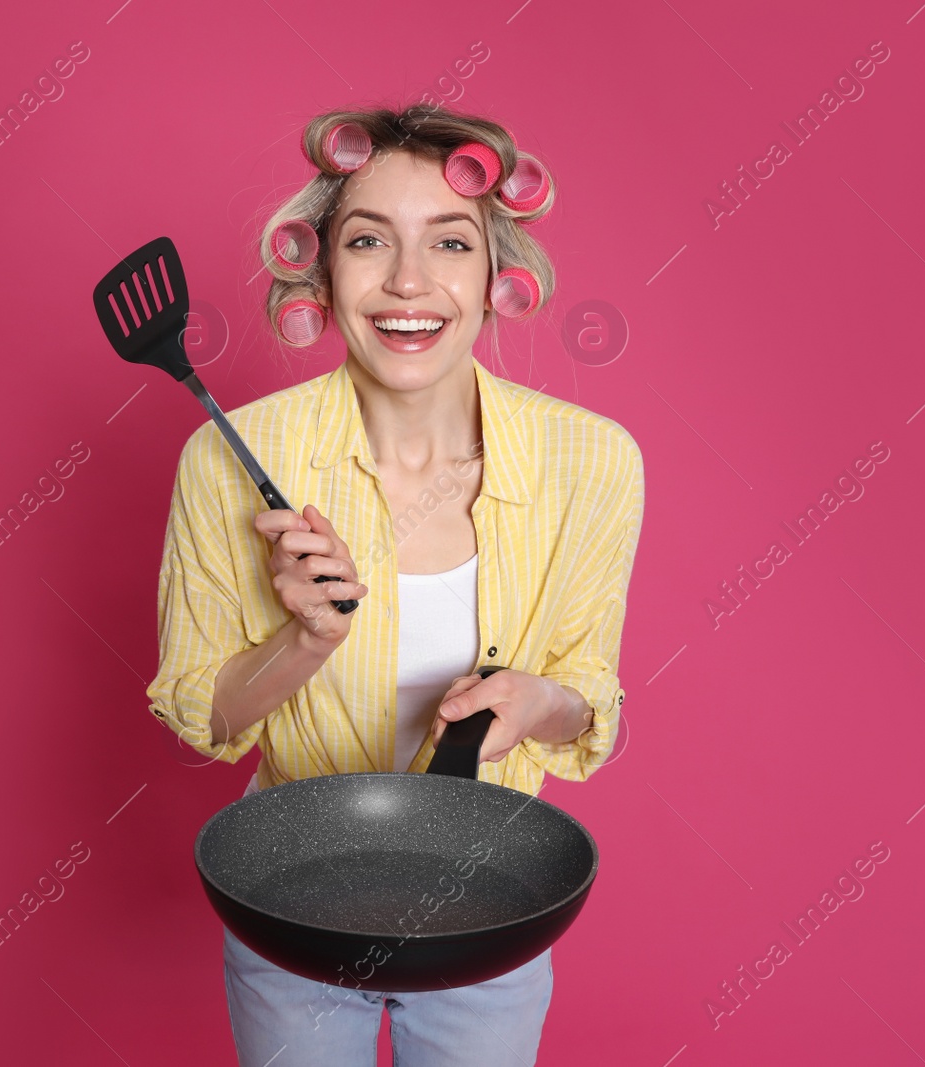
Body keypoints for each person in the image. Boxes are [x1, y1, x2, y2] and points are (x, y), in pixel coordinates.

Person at [145, 103, 644, 1067]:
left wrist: (536, 699)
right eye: (369, 239)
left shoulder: (593, 460)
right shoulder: (226, 457)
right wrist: (304, 639)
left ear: (499, 277)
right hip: (293, 895)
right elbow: (198, 715)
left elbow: (590, 689)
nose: (408, 282)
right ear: (322, 273)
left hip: (490, 899)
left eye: (450, 243)